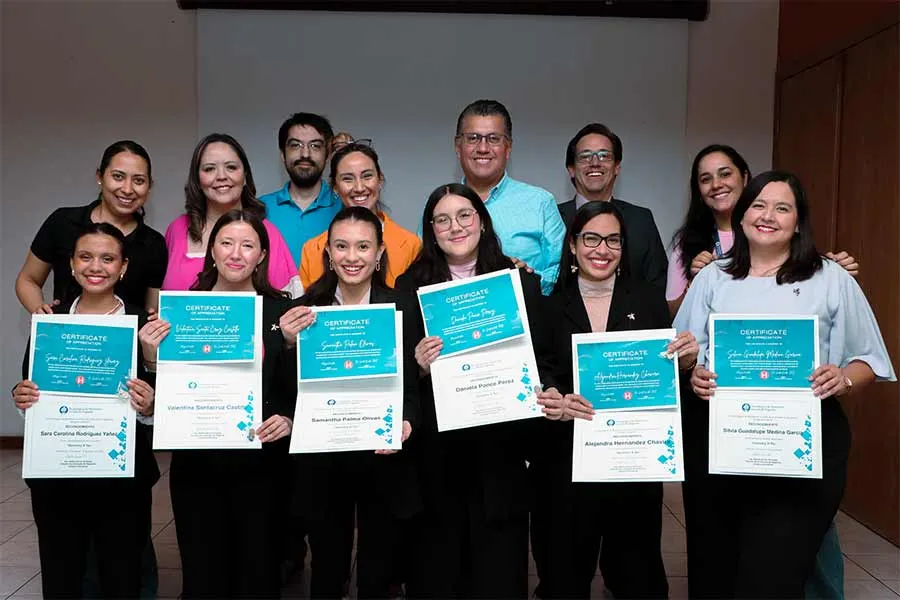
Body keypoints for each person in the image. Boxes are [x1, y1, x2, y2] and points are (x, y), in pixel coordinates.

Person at [674, 171, 895, 598]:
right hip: (719, 443)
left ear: (799, 221)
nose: (768, 216)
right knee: (714, 567)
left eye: (782, 208)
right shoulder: (712, 278)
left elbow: (870, 359)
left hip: (801, 448)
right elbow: (683, 351)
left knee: (773, 574)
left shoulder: (830, 277)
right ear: (741, 216)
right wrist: (694, 372)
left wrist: (843, 378)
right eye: (758, 205)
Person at [528, 201, 698, 599]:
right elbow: (539, 367)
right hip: (565, 462)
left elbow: (664, 375)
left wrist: (687, 359)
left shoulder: (650, 302)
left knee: (637, 574)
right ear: (572, 245)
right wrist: (552, 395)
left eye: (612, 240)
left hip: (632, 464)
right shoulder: (548, 305)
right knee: (564, 575)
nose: (601, 249)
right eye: (590, 238)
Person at [395, 183, 544, 598]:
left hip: (500, 454)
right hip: (438, 458)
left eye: (464, 215)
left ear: (481, 220)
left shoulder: (520, 285)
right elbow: (397, 375)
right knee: (438, 572)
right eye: (442, 219)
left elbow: (544, 358)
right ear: (431, 230)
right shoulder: (410, 289)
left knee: (498, 572)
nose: (455, 226)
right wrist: (418, 366)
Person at [142, 210, 298, 598]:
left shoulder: (282, 313)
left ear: (262, 255)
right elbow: (165, 392)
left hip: (263, 465)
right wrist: (150, 357)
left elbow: (296, 389)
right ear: (211, 251)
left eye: (248, 245)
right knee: (202, 571)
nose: (236, 253)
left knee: (259, 572)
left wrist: (290, 419)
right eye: (227, 243)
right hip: (199, 465)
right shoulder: (182, 311)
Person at [12, 223, 159, 598]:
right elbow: (31, 390)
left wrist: (149, 404)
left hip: (123, 482)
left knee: (121, 578)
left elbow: (164, 403)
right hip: (57, 480)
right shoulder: (50, 321)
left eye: (108, 258)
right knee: (61, 579)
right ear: (73, 265)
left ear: (123, 267)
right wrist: (23, 397)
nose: (97, 266)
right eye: (86, 257)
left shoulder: (147, 324)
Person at [292, 206, 421, 599]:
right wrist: (287, 342)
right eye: (342, 246)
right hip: (324, 463)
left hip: (382, 458)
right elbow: (287, 387)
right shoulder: (305, 308)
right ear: (327, 252)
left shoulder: (402, 307)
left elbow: (415, 387)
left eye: (363, 246)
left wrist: (408, 421)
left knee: (378, 570)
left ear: (380, 252)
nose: (352, 257)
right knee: (327, 568)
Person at [667, 144, 859, 316]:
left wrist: (829, 269)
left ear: (745, 177)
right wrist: (697, 284)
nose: (716, 184)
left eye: (725, 174)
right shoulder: (689, 245)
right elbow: (677, 321)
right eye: (705, 179)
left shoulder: (773, 231)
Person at [16, 140, 167, 315]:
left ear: (149, 186)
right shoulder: (63, 222)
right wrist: (41, 314)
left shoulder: (154, 244)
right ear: (99, 177)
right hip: (62, 337)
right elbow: (28, 279)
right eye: (118, 176)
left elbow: (150, 310)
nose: (127, 189)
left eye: (139, 180)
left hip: (121, 342)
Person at [162, 133, 300, 295]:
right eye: (209, 169)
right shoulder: (177, 229)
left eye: (231, 167)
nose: (221, 176)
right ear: (197, 180)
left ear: (245, 176)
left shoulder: (268, 233)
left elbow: (290, 307)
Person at [452, 99, 565, 295]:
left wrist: (525, 280)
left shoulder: (540, 202)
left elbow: (562, 270)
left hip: (530, 318)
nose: (483, 148)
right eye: (473, 138)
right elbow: (423, 268)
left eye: (494, 138)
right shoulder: (440, 207)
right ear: (458, 146)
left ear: (508, 147)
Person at [556, 123, 668, 290]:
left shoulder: (641, 219)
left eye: (604, 156)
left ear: (617, 167)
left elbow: (658, 287)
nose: (595, 162)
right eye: (585, 156)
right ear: (571, 169)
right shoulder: (551, 217)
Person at [299, 143, 420, 289]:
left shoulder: (412, 246)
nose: (359, 188)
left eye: (367, 176)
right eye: (348, 179)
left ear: (380, 180)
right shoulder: (313, 250)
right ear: (335, 187)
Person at [259, 113, 342, 266]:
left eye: (315, 146)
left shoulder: (344, 207)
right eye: (296, 145)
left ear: (328, 154)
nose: (305, 154)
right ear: (283, 154)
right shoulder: (258, 208)